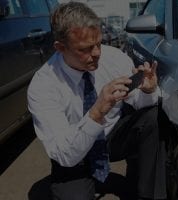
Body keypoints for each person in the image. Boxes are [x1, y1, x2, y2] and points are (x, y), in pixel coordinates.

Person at [27, 2, 166, 200]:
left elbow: (140, 103)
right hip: (74, 154)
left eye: (99, 43)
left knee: (153, 117)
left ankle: (147, 194)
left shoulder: (114, 58)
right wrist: (97, 112)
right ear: (60, 48)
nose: (97, 53)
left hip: (111, 139)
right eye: (85, 49)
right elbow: (65, 154)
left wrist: (149, 91)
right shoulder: (43, 85)